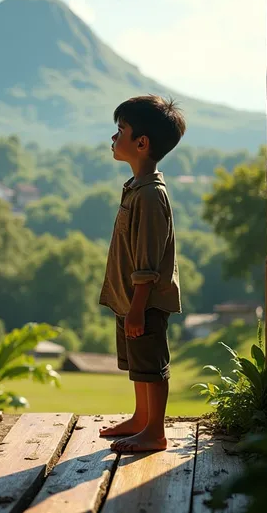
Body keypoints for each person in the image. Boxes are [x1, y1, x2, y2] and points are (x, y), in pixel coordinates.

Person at [98, 95, 186, 453]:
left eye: (120, 131)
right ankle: (140, 418)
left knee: (151, 365)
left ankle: (155, 431)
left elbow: (148, 263)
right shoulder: (137, 188)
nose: (114, 138)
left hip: (144, 302)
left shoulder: (151, 196)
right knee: (138, 364)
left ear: (141, 143)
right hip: (130, 300)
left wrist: (138, 307)